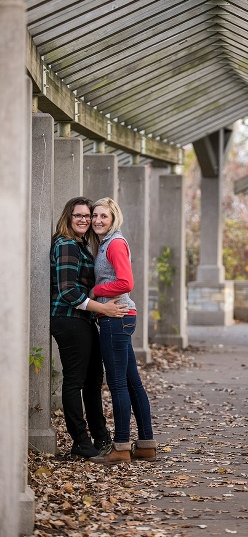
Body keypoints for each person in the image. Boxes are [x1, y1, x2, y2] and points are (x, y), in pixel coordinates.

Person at [51, 196, 128, 458]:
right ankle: (81, 442)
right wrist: (103, 308)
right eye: (79, 215)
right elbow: (68, 292)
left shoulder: (81, 245)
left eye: (88, 215)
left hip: (83, 319)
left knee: (94, 378)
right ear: (68, 217)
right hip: (68, 319)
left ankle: (100, 436)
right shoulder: (66, 245)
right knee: (75, 380)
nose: (85, 220)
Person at [88, 197, 157, 464]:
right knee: (132, 382)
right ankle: (146, 445)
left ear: (113, 218)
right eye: (95, 215)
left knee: (118, 384)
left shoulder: (115, 243)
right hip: (121, 317)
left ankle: (121, 447)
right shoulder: (106, 243)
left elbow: (126, 282)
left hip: (116, 318)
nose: (97, 220)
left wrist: (96, 290)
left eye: (103, 216)